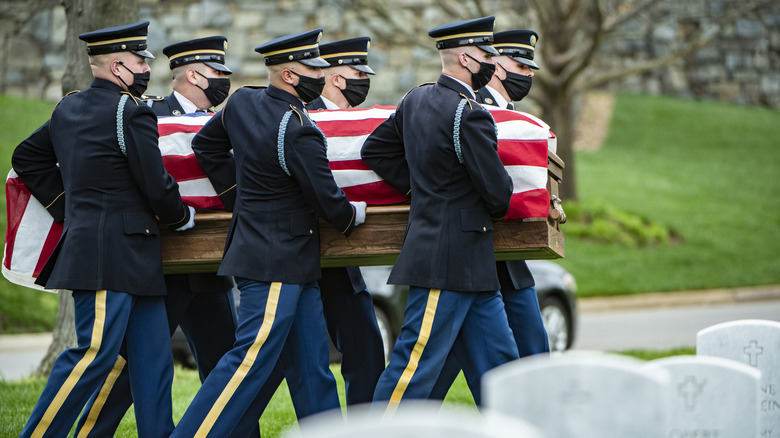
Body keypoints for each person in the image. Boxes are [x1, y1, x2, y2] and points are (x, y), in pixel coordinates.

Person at [171, 28, 366, 437]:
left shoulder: (241, 101)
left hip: (292, 262)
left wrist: (237, 197)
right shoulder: (299, 129)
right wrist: (352, 215)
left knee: (313, 369)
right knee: (249, 360)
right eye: (312, 69)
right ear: (290, 76)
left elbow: (205, 145)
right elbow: (326, 197)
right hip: (275, 260)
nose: (320, 74)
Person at [13, 21, 194, 438]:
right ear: (117, 67)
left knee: (152, 361)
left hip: (122, 254)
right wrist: (180, 215)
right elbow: (155, 182)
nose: (145, 69)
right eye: (138, 61)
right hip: (109, 257)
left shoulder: (67, 107)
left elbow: (27, 156)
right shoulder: (130, 111)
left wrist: (69, 209)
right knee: (92, 353)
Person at [72, 35, 254, 438]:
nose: (225, 81)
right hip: (162, 266)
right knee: (131, 369)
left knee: (225, 366)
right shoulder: (143, 113)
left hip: (210, 267)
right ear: (193, 74)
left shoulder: (227, 123)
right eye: (218, 74)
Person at [361, 16, 519, 412]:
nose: (492, 64)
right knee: (412, 367)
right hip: (446, 259)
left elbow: (374, 150)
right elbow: (498, 194)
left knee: (502, 368)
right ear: (466, 59)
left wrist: (421, 189)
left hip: (467, 262)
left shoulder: (415, 99)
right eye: (487, 56)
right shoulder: (470, 114)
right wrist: (433, 191)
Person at [250, 36, 385, 410]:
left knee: (365, 346)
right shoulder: (294, 115)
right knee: (281, 358)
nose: (361, 81)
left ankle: (367, 427)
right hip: (294, 248)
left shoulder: (353, 120)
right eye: (355, 73)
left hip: (338, 257)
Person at [429, 29, 550, 403]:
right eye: (519, 66)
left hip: (508, 260)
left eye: (530, 69)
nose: (527, 75)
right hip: (472, 252)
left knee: (533, 354)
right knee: (442, 366)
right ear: (494, 63)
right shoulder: (468, 106)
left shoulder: (516, 117)